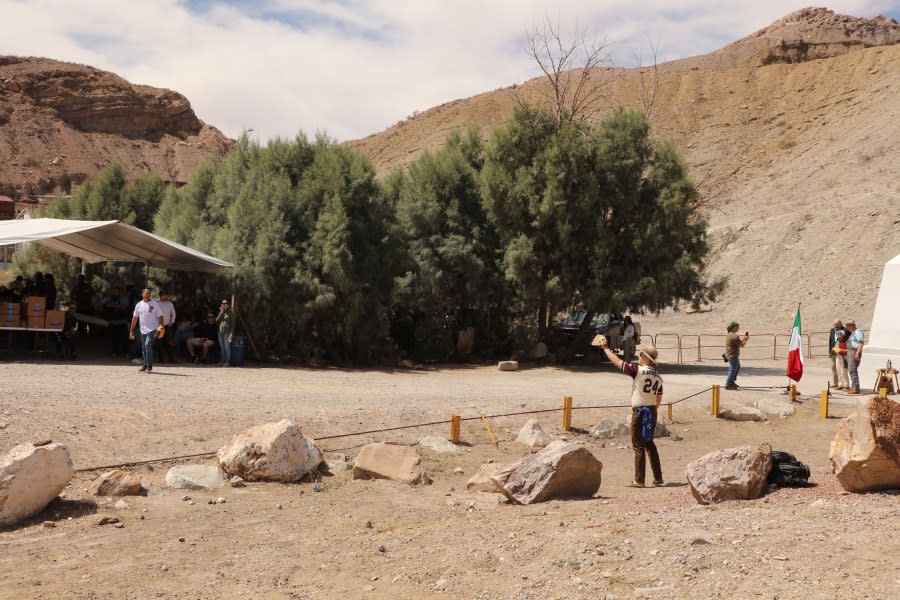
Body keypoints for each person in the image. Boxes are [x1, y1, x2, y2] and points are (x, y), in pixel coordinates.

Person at [595, 334, 664, 488]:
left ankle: (639, 480)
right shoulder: (658, 376)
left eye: (641, 355)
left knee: (638, 445)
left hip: (640, 411)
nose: (639, 357)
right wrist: (652, 409)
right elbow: (659, 398)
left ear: (646, 358)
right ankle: (658, 478)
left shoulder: (638, 370)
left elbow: (618, 363)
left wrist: (606, 349)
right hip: (652, 410)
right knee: (649, 444)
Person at [129, 288, 163, 373]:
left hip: (152, 329)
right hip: (142, 329)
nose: (147, 294)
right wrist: (132, 330)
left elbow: (161, 316)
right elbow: (135, 318)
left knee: (148, 345)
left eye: (149, 293)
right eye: (146, 293)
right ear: (142, 294)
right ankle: (145, 365)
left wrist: (160, 326)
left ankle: (149, 366)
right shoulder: (139, 305)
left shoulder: (154, 304)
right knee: (143, 348)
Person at [102, 286, 130, 356]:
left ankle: (126, 352)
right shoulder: (109, 298)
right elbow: (104, 305)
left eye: (116, 291)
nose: (115, 292)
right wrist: (116, 306)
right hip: (112, 321)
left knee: (124, 338)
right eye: (114, 291)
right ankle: (115, 352)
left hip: (122, 321)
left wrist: (111, 306)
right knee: (114, 338)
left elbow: (124, 306)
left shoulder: (124, 298)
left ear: (119, 291)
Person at [724, 321, 749, 390]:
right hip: (732, 355)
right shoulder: (735, 336)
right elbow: (742, 345)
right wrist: (746, 340)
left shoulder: (730, 334)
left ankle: (731, 382)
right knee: (733, 369)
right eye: (737, 327)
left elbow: (739, 343)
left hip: (729, 355)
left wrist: (744, 339)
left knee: (736, 367)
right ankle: (729, 384)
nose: (738, 328)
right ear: (733, 328)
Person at [155, 289, 177, 363]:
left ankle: (171, 359)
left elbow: (173, 314)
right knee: (159, 343)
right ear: (160, 296)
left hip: (167, 326)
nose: (165, 296)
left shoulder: (170, 304)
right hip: (159, 326)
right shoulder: (156, 303)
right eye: (163, 295)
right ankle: (161, 359)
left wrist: (172, 322)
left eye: (166, 295)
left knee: (168, 342)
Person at [845, 319, 864, 394]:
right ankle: (853, 386)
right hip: (851, 351)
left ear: (852, 325)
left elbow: (861, 343)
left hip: (854, 351)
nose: (847, 327)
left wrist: (857, 353)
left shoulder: (858, 332)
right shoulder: (853, 333)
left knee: (852, 370)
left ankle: (856, 388)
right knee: (851, 370)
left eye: (848, 326)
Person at [827, 319, 846, 388]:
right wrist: (829, 351)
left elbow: (844, 341)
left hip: (841, 351)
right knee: (834, 368)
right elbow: (830, 341)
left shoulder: (844, 330)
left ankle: (843, 384)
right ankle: (835, 383)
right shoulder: (832, 330)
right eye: (834, 325)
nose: (835, 327)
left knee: (841, 368)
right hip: (833, 352)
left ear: (840, 324)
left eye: (837, 325)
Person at [215, 298, 235, 367]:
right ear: (221, 305)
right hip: (220, 332)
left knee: (227, 347)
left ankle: (227, 362)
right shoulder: (221, 312)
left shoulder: (231, 312)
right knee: (222, 347)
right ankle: (222, 361)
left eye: (226, 303)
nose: (225, 305)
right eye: (223, 303)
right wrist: (221, 312)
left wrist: (232, 333)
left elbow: (233, 324)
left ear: (228, 305)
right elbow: (216, 320)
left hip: (227, 332)